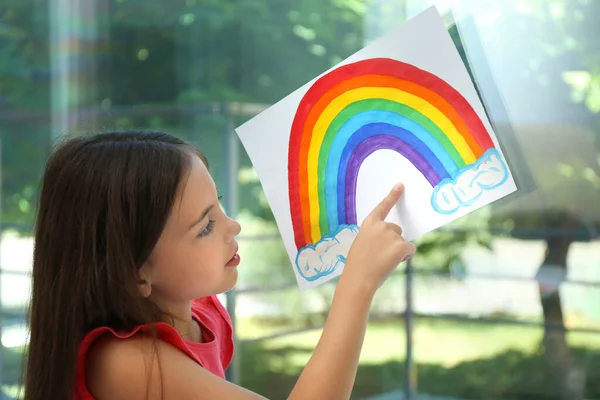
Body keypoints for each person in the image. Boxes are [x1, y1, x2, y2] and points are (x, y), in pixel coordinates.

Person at [24, 131, 416, 400]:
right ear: (134, 270)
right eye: (206, 225)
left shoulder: (202, 313)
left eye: (220, 204)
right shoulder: (124, 364)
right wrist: (357, 286)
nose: (234, 226)